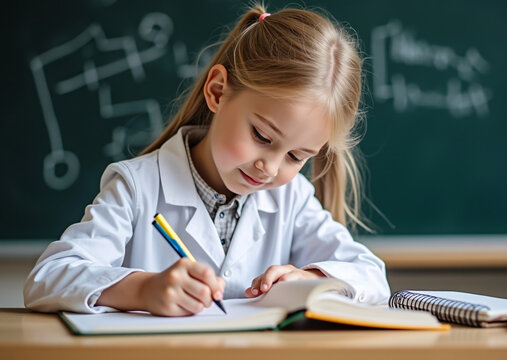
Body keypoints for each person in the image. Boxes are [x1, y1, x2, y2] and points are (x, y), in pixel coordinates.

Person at [23, 4, 390, 316]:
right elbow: (48, 278)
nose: (272, 168)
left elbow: (372, 275)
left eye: (297, 156)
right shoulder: (138, 187)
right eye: (262, 136)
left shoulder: (291, 198)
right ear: (217, 92)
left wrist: (313, 279)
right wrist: (142, 290)